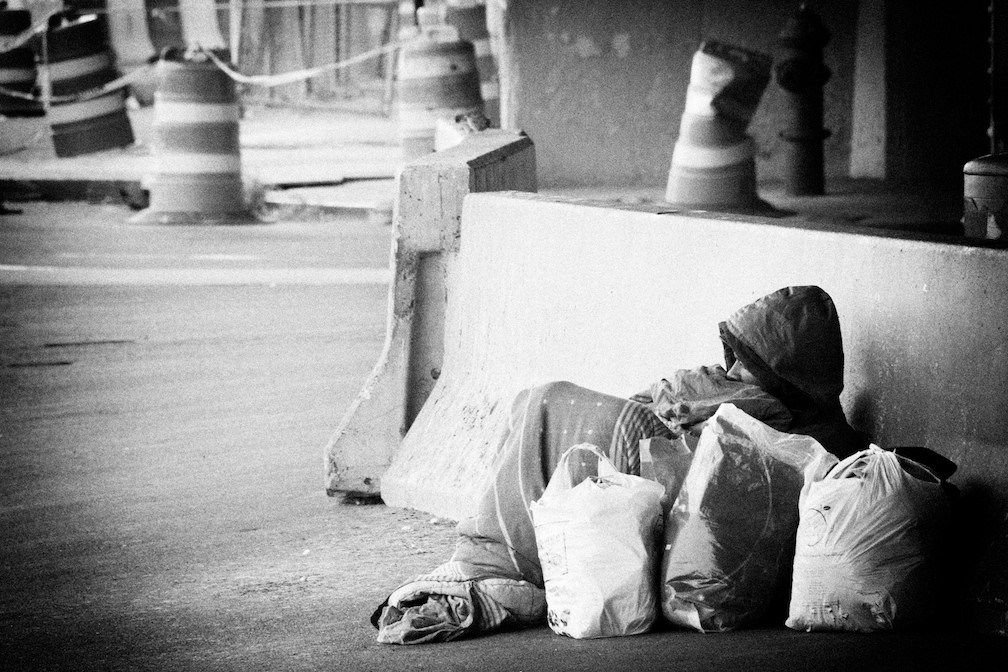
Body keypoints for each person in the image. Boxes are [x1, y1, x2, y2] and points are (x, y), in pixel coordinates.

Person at [372, 285, 869, 644]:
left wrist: (687, 403)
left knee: (555, 404)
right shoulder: (756, 398)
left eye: (751, 365)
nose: (734, 371)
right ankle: (503, 562)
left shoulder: (801, 424)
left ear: (789, 375)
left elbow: (717, 442)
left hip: (691, 518)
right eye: (735, 357)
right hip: (681, 503)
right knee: (542, 408)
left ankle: (500, 565)